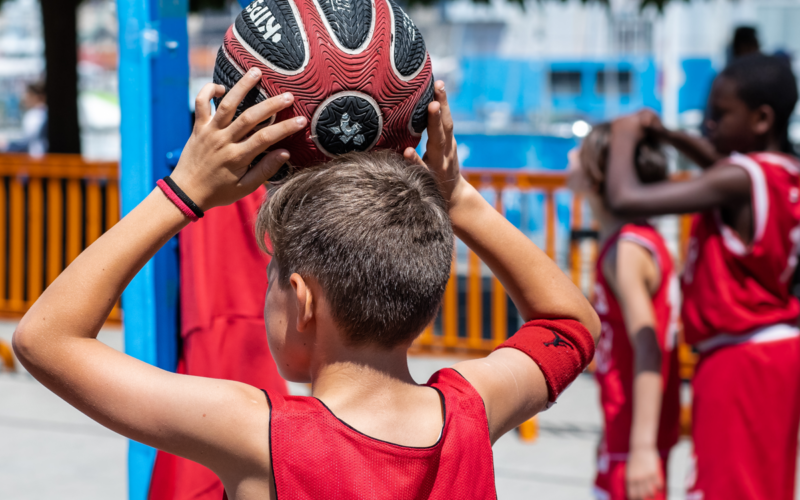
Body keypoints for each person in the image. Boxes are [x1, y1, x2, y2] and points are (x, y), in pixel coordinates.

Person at [11, 68, 600, 499]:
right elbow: (569, 325)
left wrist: (182, 193)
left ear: (302, 299)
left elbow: (45, 339)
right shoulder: (471, 411)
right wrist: (461, 201)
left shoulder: (258, 435)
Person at [606, 54, 800, 500]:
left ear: (761, 118)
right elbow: (718, 162)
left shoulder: (740, 178)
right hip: (776, 349)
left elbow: (625, 196)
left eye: (719, 113)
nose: (708, 123)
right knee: (764, 485)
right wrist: (669, 135)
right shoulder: (784, 172)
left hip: (740, 356)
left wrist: (622, 137)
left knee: (728, 488)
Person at [568, 124, 681, 500]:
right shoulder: (639, 239)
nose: (569, 158)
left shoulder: (626, 252)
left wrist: (641, 448)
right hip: (626, 429)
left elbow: (648, 347)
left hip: (634, 436)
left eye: (578, 152)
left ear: (600, 174)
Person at [1, 81, 48, 156]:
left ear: (37, 97)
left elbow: (26, 144)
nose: (24, 98)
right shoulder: (44, 112)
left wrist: (6, 146)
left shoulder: (35, 114)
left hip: (38, 161)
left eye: (28, 95)